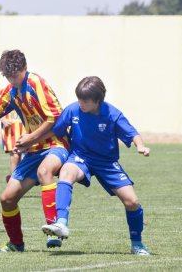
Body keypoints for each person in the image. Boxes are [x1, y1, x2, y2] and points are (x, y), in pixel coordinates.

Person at [0, 49, 69, 252]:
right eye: (8, 76)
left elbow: (56, 117)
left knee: (44, 171)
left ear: (24, 68)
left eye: (15, 74)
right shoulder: (11, 91)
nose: (12, 80)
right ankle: (16, 243)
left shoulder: (36, 83)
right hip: (34, 150)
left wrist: (31, 137)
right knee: (7, 199)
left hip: (56, 143)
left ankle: (55, 227)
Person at [40, 76, 151, 255]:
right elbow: (57, 131)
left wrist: (141, 146)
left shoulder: (112, 114)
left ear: (98, 100)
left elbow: (132, 133)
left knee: (132, 202)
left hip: (107, 162)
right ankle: (61, 222)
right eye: (79, 98)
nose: (80, 103)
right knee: (66, 172)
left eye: (85, 100)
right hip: (81, 157)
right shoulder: (72, 110)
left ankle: (137, 244)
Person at [0, 110, 24, 183]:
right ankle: (13, 182)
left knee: (21, 156)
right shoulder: (4, 98)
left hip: (24, 128)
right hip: (11, 130)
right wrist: (3, 119)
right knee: (15, 155)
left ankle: (14, 178)